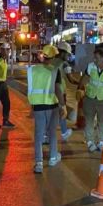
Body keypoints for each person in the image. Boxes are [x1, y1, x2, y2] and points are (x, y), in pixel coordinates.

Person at [28, 44, 67, 174]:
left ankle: (38, 163)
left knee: (39, 135)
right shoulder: (55, 70)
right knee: (51, 133)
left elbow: (31, 89)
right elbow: (58, 90)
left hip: (38, 106)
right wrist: (63, 106)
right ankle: (52, 157)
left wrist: (31, 108)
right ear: (53, 57)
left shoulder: (32, 70)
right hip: (52, 106)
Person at [52, 41, 75, 141]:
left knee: (52, 113)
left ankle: (45, 135)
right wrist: (82, 83)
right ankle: (64, 131)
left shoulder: (51, 61)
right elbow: (71, 79)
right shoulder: (65, 64)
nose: (68, 56)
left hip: (49, 92)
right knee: (62, 112)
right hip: (60, 91)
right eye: (67, 54)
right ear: (62, 53)